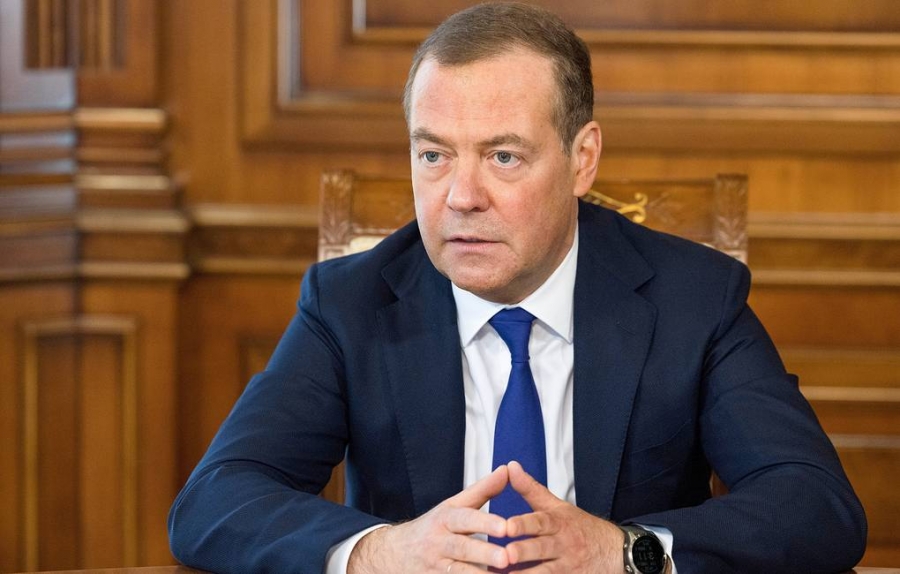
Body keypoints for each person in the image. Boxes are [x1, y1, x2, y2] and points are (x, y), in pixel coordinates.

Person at [168, 3, 867, 573]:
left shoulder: (694, 300)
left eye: (503, 156)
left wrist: (625, 552)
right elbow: (216, 501)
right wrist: (382, 554)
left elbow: (816, 507)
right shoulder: (351, 303)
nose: (460, 196)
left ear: (582, 159)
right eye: (433, 154)